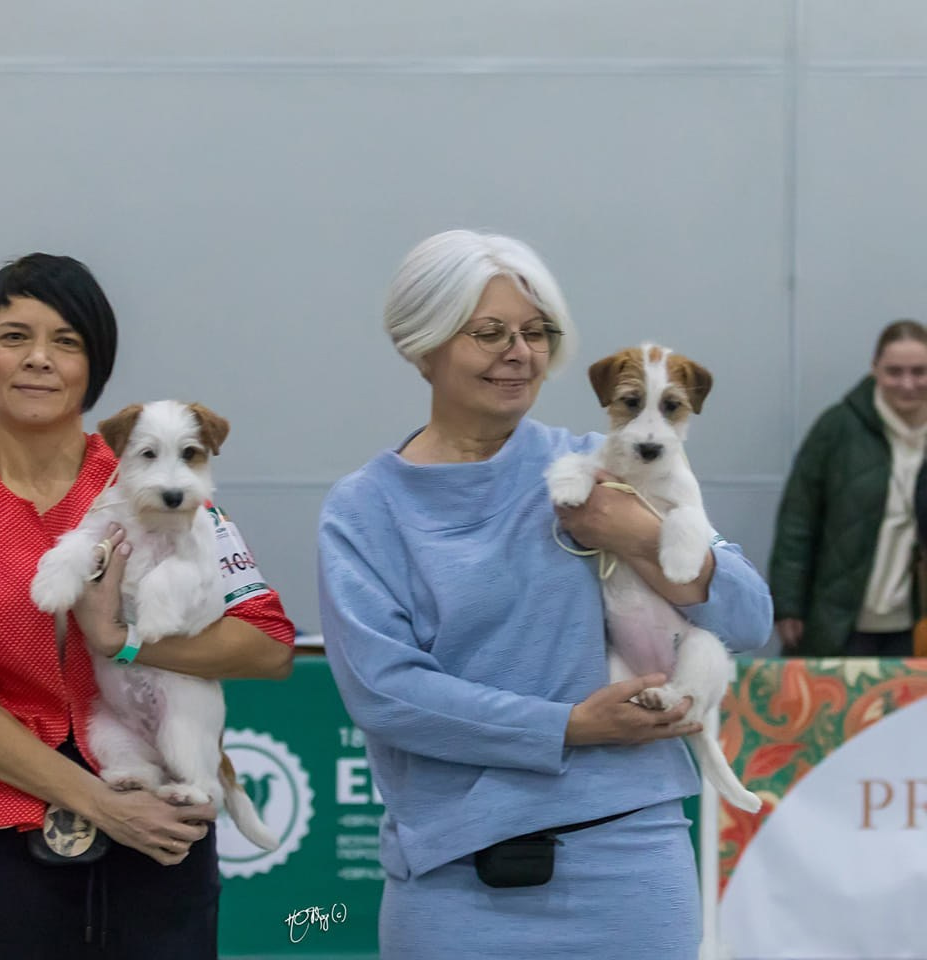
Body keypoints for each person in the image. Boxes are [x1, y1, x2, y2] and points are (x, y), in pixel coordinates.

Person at [317, 229, 772, 959]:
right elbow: (386, 692)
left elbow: (749, 616)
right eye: (489, 332)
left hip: (631, 858)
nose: (519, 352)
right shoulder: (364, 509)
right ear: (422, 343)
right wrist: (569, 725)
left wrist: (636, 535)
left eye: (536, 332)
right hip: (455, 875)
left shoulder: (601, 466)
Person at [0, 253, 295, 958]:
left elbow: (268, 644)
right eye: (14, 336)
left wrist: (125, 641)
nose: (39, 358)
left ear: (94, 369)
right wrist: (100, 802)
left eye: (67, 341)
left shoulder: (163, 477)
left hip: (165, 815)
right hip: (10, 826)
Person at [771, 319, 927, 657]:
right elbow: (798, 519)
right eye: (894, 371)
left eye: (919, 371)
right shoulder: (838, 428)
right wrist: (787, 605)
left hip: (915, 627)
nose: (908, 383)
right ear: (875, 369)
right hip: (840, 621)